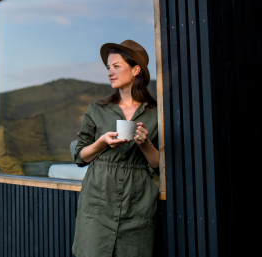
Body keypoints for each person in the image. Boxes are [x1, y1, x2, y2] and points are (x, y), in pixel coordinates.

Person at [72, 40, 159, 257]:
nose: (110, 72)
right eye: (108, 68)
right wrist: (101, 143)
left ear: (136, 69)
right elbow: (79, 155)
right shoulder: (97, 109)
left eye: (116, 66)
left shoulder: (157, 113)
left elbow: (159, 164)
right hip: (98, 200)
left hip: (137, 202)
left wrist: (145, 144)